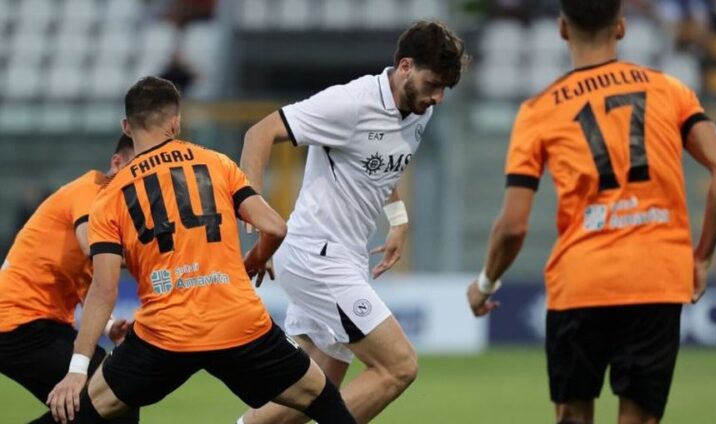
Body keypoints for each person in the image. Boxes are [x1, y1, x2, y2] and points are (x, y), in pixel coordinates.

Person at [466, 1, 716, 423]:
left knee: (573, 415)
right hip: (656, 278)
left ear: (562, 29)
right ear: (622, 27)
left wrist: (485, 283)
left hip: (581, 280)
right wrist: (701, 257)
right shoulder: (670, 90)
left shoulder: (539, 111)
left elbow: (513, 226)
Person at [46, 76, 355, 424]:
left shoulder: (110, 197)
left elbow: (104, 288)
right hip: (237, 323)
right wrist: (255, 259)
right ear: (176, 123)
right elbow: (274, 227)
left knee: (82, 411)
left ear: (126, 127)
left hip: (164, 335)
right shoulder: (216, 164)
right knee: (322, 397)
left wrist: (77, 370)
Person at [238, 20, 468, 424]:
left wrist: (398, 220)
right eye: (433, 84)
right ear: (405, 67)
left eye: (444, 88)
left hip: (344, 257)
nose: (437, 97)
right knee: (399, 366)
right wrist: (254, 212)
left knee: (312, 394)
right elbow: (260, 132)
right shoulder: (350, 103)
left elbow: (382, 167)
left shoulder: (419, 109)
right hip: (317, 254)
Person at [0, 135, 137, 424]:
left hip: (34, 323)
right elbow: (92, 248)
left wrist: (109, 325)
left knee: (103, 402)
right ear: (116, 163)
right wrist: (155, 256)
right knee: (111, 394)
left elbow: (88, 283)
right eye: (136, 170)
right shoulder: (91, 190)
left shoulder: (109, 211)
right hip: (17, 322)